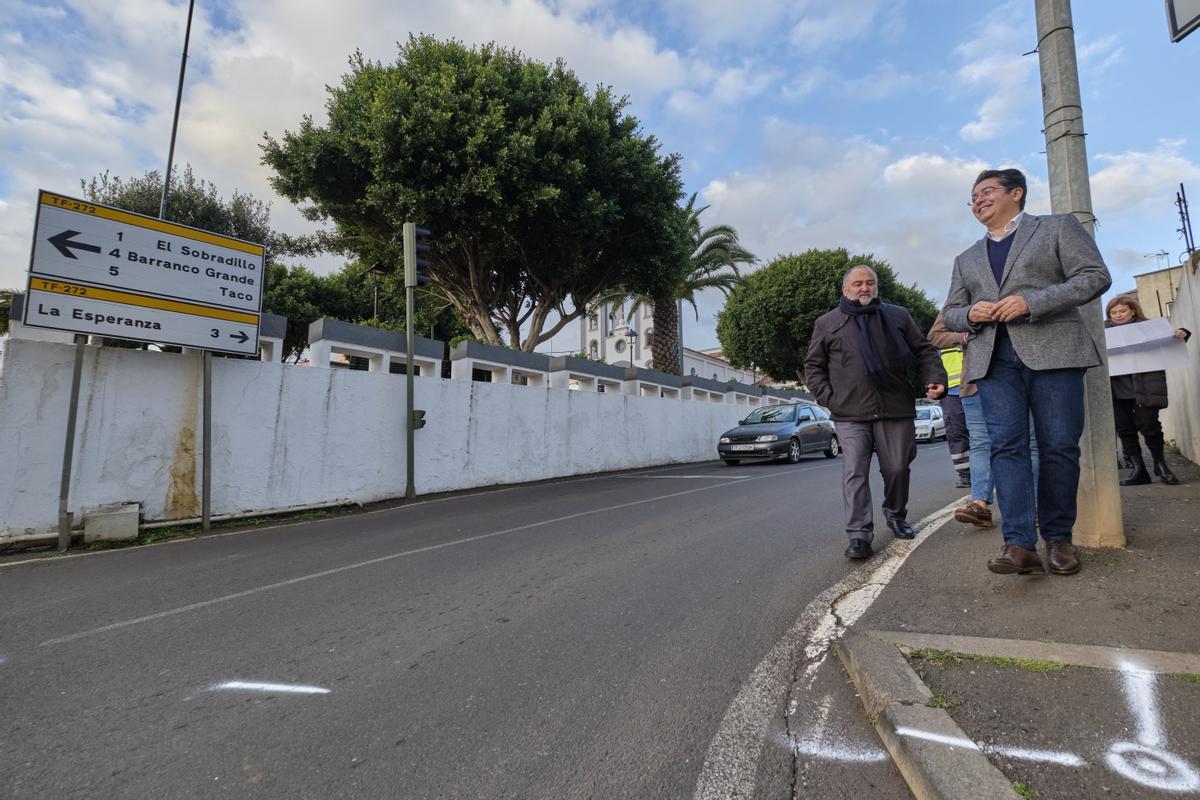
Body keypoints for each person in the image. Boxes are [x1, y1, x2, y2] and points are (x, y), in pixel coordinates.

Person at [943, 168, 1111, 576]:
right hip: (993, 360)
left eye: (986, 192)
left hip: (1054, 351)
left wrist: (1031, 303)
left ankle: (1057, 539)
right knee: (1006, 448)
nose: (978, 200)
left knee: (1058, 447)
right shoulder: (966, 258)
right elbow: (949, 312)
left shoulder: (1056, 228)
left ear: (1016, 193)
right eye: (973, 197)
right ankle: (1018, 545)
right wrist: (969, 313)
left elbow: (1094, 277)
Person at [804, 264, 947, 560]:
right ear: (845, 290)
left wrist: (934, 378)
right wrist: (829, 398)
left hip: (896, 407)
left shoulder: (897, 316)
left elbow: (924, 351)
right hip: (850, 413)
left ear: (876, 287)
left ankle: (896, 514)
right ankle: (858, 534)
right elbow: (813, 366)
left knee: (897, 468)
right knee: (854, 472)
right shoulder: (828, 323)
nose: (864, 288)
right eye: (857, 284)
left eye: (870, 283)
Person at [929, 313, 1041, 528]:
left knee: (1030, 442)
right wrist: (964, 337)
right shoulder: (961, 297)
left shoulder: (1019, 287)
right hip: (976, 382)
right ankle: (980, 504)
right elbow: (935, 336)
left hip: (1022, 378)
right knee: (981, 443)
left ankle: (1035, 506)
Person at [1104, 296, 1191, 486]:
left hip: (1145, 387)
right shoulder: (1102, 331)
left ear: (1133, 311)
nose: (1118, 315)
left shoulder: (1150, 328)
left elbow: (1172, 339)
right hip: (1117, 389)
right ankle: (1139, 470)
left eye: (1122, 311)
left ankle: (1161, 466)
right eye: (1114, 312)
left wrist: (1183, 332)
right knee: (1125, 430)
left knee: (1150, 425)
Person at [926, 315, 971, 488]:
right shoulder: (940, 338)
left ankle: (986, 470)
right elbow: (933, 366)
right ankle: (964, 473)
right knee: (956, 434)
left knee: (980, 434)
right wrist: (936, 392)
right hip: (951, 394)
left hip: (975, 389)